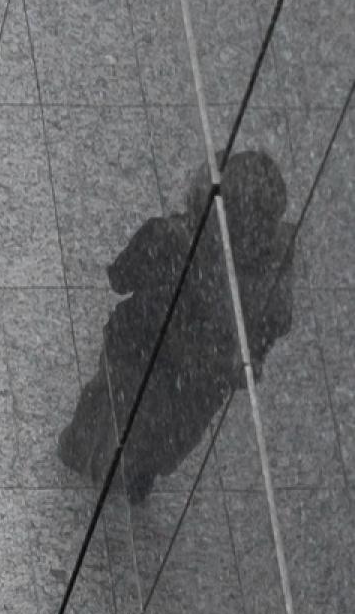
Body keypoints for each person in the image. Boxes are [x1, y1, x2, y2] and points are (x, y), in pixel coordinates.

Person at [57, 149, 294, 504]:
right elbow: (273, 325)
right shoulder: (268, 274)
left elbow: (121, 277)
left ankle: (81, 453)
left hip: (138, 353)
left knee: (105, 408)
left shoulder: (169, 239)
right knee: (158, 438)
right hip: (198, 386)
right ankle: (136, 477)